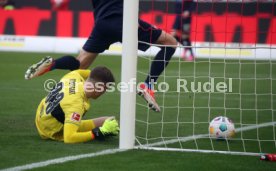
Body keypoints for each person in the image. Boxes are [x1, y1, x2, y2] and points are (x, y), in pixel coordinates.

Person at [25, 0, 178, 112]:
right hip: (123, 21)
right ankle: (147, 86)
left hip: (102, 24)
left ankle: (53, 64)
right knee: (170, 43)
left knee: (80, 65)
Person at [35, 66, 119, 143]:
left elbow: (88, 73)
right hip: (49, 129)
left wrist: (100, 77)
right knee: (104, 125)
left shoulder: (73, 76)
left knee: (109, 120)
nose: (104, 92)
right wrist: (99, 132)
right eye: (105, 89)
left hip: (42, 114)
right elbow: (69, 138)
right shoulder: (76, 104)